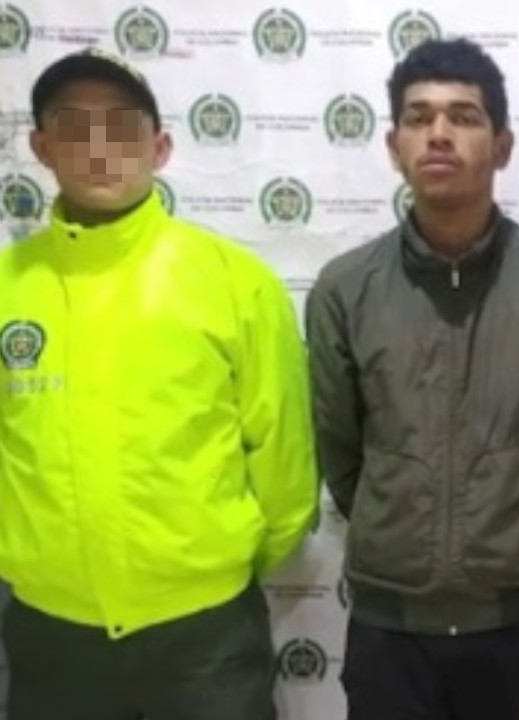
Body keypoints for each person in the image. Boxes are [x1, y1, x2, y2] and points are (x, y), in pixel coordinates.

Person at [305, 37, 519, 720]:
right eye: (418, 118)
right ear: (394, 147)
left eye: (464, 117)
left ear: (502, 147)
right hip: (392, 629)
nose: (439, 134)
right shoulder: (344, 288)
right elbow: (341, 448)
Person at [0, 48, 318, 720]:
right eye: (74, 126)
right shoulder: (9, 286)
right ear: (41, 147)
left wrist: (209, 567)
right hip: (52, 633)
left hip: (206, 633)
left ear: (161, 147)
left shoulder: (234, 281)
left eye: (121, 126)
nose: (98, 147)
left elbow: (283, 463)